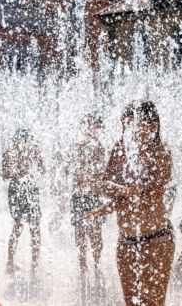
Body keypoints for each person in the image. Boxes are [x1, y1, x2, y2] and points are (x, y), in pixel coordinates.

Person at [91, 100, 174, 306]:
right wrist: (125, 191)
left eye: (135, 124)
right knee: (131, 304)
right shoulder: (119, 148)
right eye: (127, 125)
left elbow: (150, 195)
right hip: (126, 241)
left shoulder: (161, 151)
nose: (130, 130)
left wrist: (113, 203)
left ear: (153, 126)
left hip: (157, 241)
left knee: (154, 304)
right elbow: (103, 184)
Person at [68, 115, 108, 286]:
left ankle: (96, 264)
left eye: (97, 127)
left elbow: (102, 171)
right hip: (82, 194)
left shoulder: (98, 146)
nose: (95, 130)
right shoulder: (79, 145)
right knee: (82, 232)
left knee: (95, 231)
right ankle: (85, 265)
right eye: (93, 126)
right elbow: (71, 169)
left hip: (92, 195)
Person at [1, 128, 46, 275]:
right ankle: (34, 265)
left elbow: (5, 175)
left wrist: (16, 173)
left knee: (18, 226)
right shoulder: (32, 151)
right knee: (34, 228)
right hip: (28, 187)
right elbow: (42, 168)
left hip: (15, 188)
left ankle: (10, 262)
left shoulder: (9, 153)